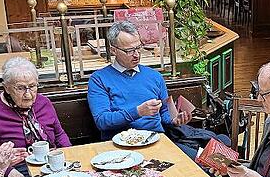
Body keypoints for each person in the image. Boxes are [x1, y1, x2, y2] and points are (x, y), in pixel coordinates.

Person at [86, 21, 230, 160]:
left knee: (209, 162)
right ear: (113, 50)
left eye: (138, 48)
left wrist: (175, 120)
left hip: (158, 141)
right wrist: (138, 112)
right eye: (129, 51)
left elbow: (164, 115)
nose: (136, 54)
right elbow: (102, 121)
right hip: (120, 149)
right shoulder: (99, 79)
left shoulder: (154, 76)